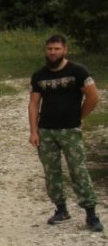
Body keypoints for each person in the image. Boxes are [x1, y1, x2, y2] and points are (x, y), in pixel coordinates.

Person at [28, 34, 103, 232]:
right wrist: (33, 131)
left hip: (70, 130)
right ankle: (61, 209)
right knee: (51, 172)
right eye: (50, 49)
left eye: (57, 49)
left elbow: (93, 96)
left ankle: (90, 213)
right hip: (46, 130)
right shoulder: (39, 75)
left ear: (65, 50)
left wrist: (80, 116)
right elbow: (34, 103)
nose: (53, 52)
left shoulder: (78, 71)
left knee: (78, 171)